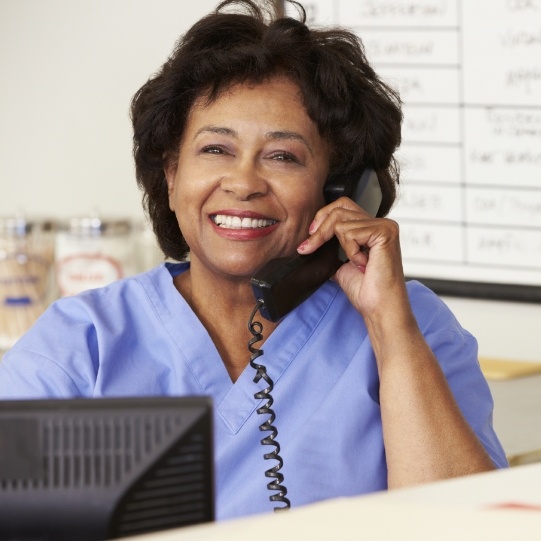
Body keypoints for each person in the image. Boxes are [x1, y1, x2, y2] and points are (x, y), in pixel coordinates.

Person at [0, 0, 507, 521]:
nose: (243, 183)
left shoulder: (412, 324)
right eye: (215, 149)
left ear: (341, 191)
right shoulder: (80, 346)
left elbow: (468, 526)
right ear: (171, 175)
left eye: (283, 156)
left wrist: (390, 332)